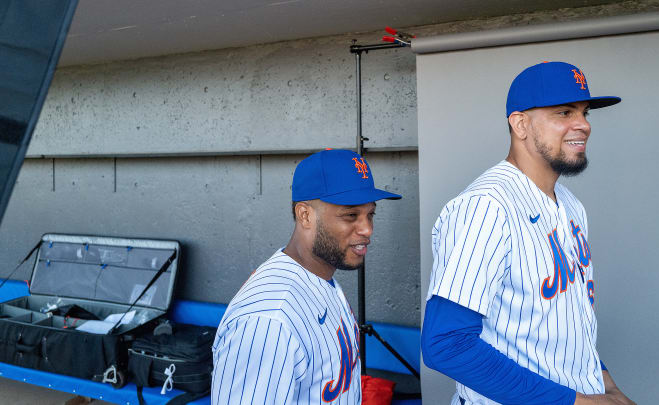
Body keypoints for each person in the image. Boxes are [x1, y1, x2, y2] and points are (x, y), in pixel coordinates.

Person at [422, 61, 635, 405]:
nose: (582, 124)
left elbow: (563, 322)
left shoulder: (570, 203)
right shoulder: (486, 207)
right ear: (520, 124)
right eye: (564, 112)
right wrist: (578, 403)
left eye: (584, 112)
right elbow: (445, 344)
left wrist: (607, 387)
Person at [212, 149, 401, 404]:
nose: (367, 229)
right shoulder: (270, 320)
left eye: (370, 214)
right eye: (351, 215)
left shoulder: (321, 278)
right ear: (305, 215)